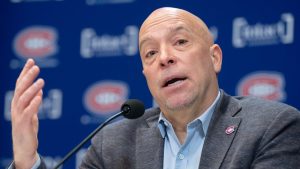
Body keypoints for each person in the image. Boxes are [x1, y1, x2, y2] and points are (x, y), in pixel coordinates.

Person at [9, 7, 300, 169]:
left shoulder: (273, 126)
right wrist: (26, 162)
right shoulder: (112, 144)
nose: (164, 58)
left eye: (180, 42)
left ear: (215, 58)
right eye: (150, 53)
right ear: (146, 74)